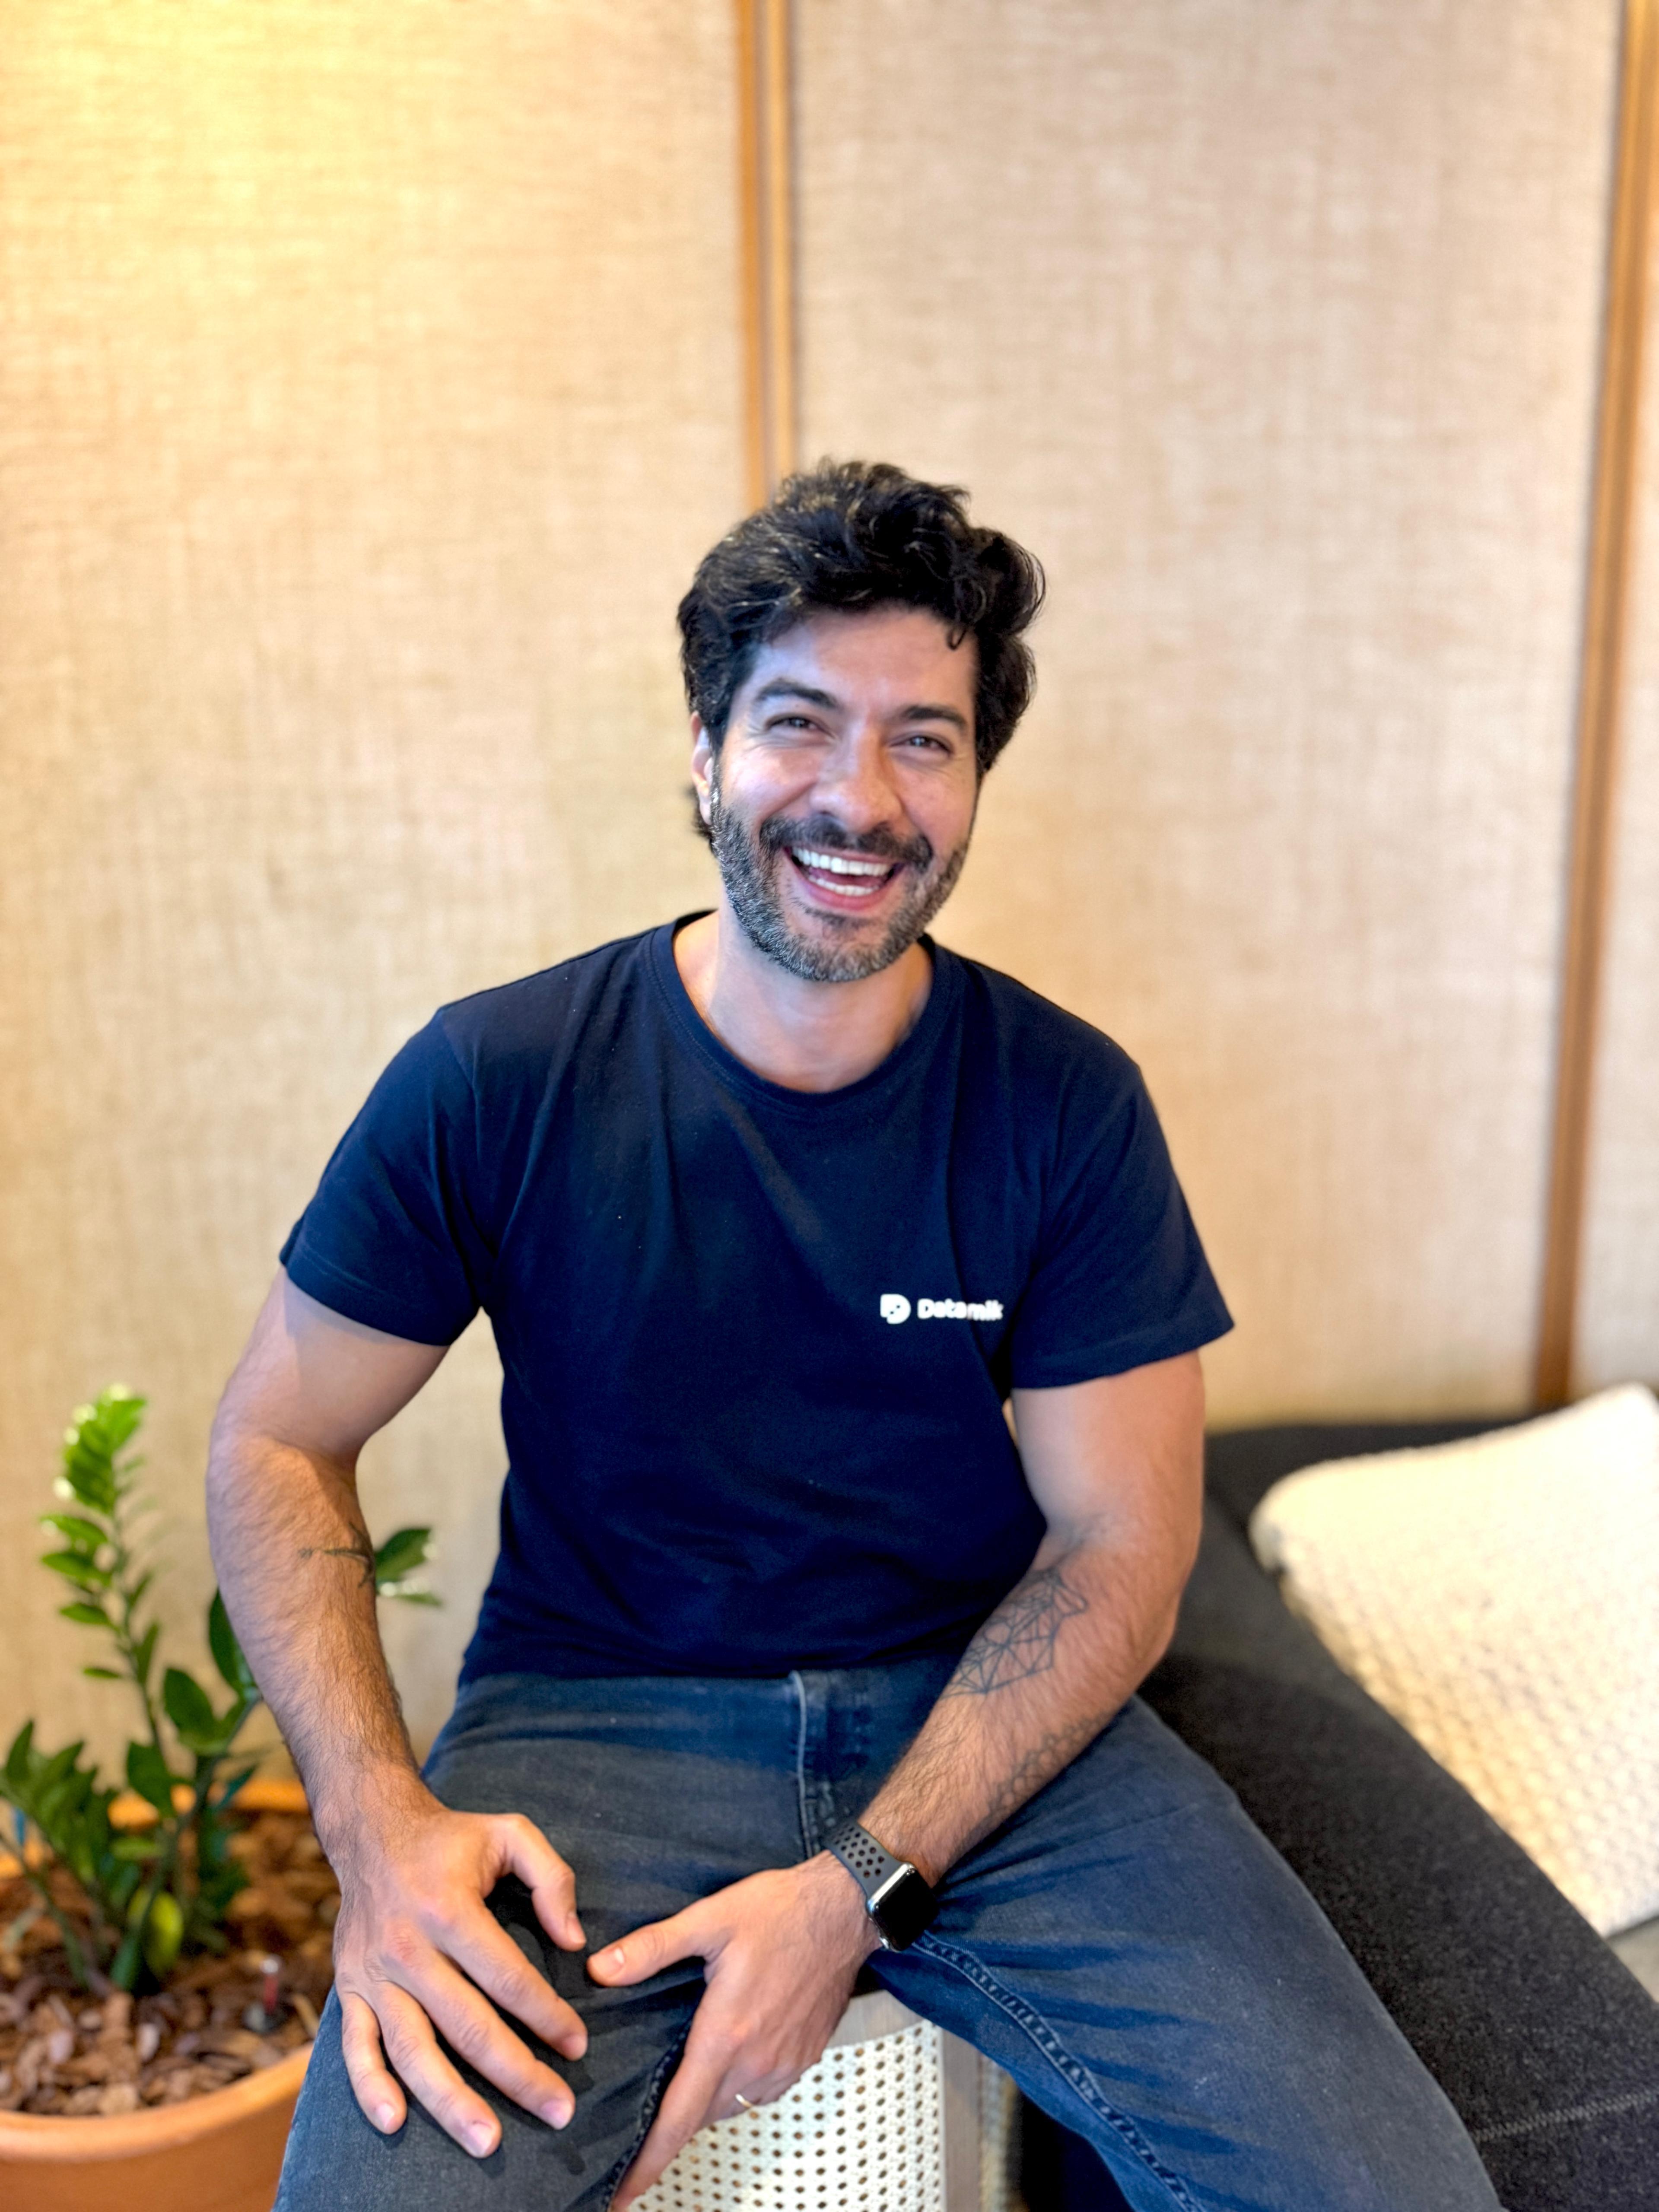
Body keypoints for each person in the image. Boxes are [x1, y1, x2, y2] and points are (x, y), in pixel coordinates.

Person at [210, 462, 1500, 2212]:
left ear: (974, 784)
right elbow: (278, 1438)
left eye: (924, 740)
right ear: (703, 752)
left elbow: (1121, 1548)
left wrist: (858, 1885)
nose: (861, 798)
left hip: (987, 1724)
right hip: (598, 1718)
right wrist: (373, 1826)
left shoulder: (1065, 1105)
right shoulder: (497, 1077)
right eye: (800, 723)